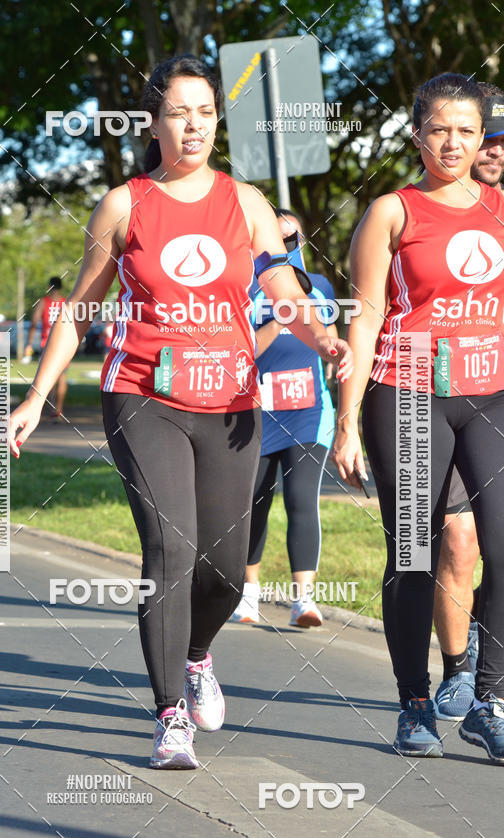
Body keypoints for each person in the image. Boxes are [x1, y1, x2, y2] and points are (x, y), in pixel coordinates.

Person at [9, 55, 353, 770]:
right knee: (170, 548)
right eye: (178, 112)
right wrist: (37, 396)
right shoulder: (125, 203)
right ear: (155, 121)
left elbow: (284, 289)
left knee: (225, 570)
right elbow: (82, 309)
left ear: (215, 121)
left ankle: (197, 656)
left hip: (230, 400)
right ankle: (170, 715)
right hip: (144, 393)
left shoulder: (246, 202)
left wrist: (323, 335)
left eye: (204, 112)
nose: (193, 125)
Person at [332, 72, 504, 763]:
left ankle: (487, 698)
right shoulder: (392, 212)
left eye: (467, 130)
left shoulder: (499, 208)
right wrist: (346, 418)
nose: (453, 142)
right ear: (417, 136)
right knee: (413, 553)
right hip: (404, 392)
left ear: (482, 136)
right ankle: (413, 702)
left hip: (490, 392)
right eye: (440, 129)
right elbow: (367, 315)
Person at [432, 86, 504, 720]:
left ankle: (489, 665)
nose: (492, 151)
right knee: (457, 542)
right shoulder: (420, 210)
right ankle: (458, 674)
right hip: (440, 399)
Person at [231, 208, 338, 627]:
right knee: (253, 505)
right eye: (276, 242)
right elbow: (244, 352)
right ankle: (248, 597)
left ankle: (304, 601)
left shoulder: (322, 286)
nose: (285, 249)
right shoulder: (243, 291)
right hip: (255, 413)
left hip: (310, 410)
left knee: (301, 500)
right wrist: (280, 317)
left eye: (291, 241)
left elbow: (328, 339)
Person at [25, 276, 68, 420]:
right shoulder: (66, 302)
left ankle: (51, 406)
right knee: (62, 377)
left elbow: (34, 322)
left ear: (49, 286)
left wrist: (29, 343)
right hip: (63, 344)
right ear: (61, 287)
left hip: (47, 343)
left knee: (49, 376)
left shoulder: (43, 302)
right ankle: (59, 409)